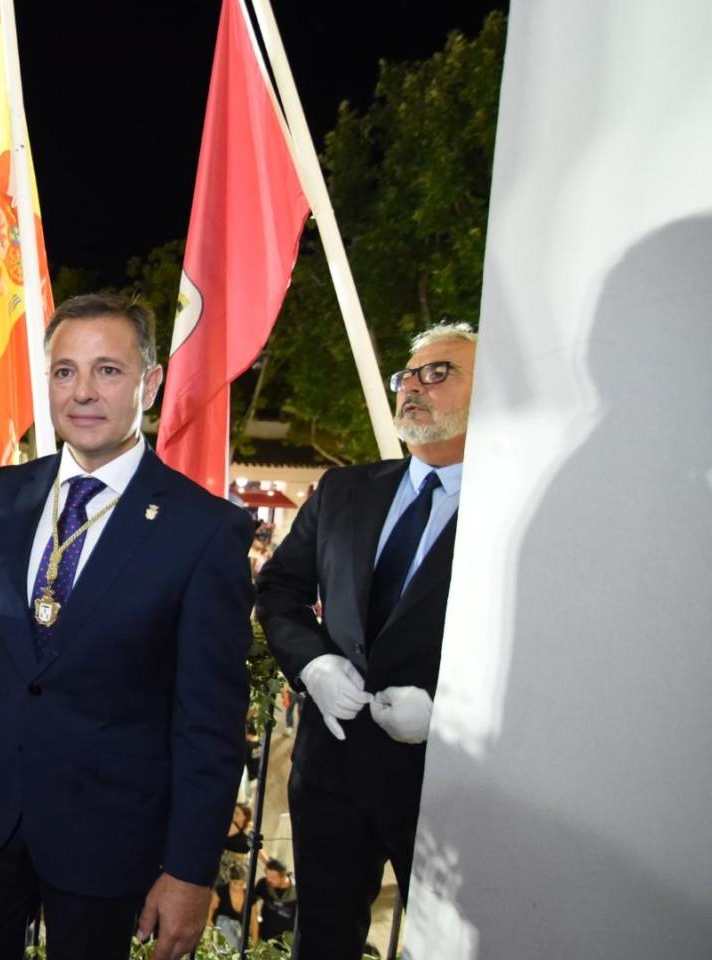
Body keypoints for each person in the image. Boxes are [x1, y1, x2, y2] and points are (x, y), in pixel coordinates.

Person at [0, 293, 254, 960]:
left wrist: (192, 871)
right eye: (64, 371)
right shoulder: (1, 493)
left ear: (152, 382)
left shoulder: (204, 531)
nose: (83, 392)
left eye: (108, 370)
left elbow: (209, 724)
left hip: (109, 835)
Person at [256, 323, 477, 959]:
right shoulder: (344, 490)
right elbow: (278, 592)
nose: (414, 385)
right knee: (321, 944)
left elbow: (546, 645)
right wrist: (315, 662)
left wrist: (445, 714)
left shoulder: (512, 504)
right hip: (331, 770)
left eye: (439, 373)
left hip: (446, 785)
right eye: (407, 375)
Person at [252, 859, 298, 943]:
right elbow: (250, 902)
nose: (269, 880)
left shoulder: (297, 892)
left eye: (273, 877)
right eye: (268, 876)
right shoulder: (264, 884)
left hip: (285, 944)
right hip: (264, 937)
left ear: (283, 876)